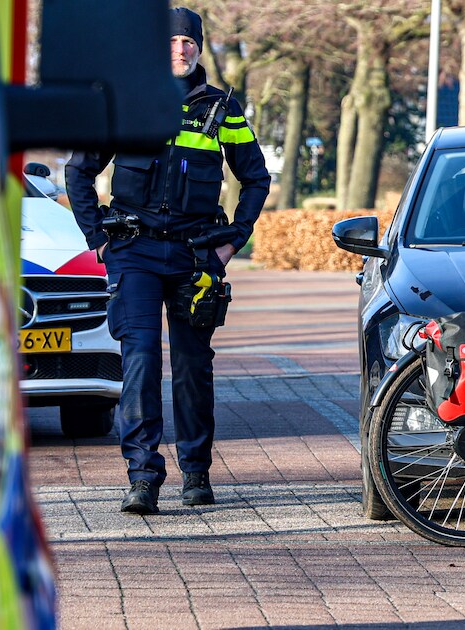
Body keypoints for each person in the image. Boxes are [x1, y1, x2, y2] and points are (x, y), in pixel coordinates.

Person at [65, 7, 270, 515]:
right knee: (138, 361)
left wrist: (231, 243)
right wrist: (100, 241)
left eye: (188, 41)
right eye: (171, 41)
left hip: (195, 254)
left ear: (199, 48)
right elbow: (78, 172)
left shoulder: (221, 106)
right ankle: (142, 478)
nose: (180, 49)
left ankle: (195, 472)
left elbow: (256, 178)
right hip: (132, 251)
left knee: (192, 367)